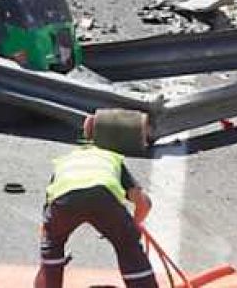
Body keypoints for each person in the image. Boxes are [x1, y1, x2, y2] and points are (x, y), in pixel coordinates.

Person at [34, 116, 158, 288]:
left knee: (52, 245)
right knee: (128, 247)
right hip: (103, 196)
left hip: (64, 198)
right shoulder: (109, 157)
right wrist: (133, 227)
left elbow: (47, 223)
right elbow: (144, 203)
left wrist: (50, 254)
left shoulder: (65, 161)